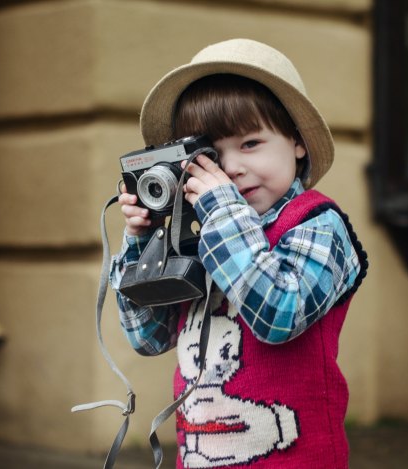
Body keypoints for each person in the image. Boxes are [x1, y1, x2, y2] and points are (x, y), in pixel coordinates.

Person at [110, 38, 368, 469]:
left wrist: (223, 213)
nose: (230, 168)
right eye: (211, 155)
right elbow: (147, 337)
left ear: (297, 141)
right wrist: (141, 241)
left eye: (250, 144)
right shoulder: (202, 233)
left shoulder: (319, 224)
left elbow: (279, 315)